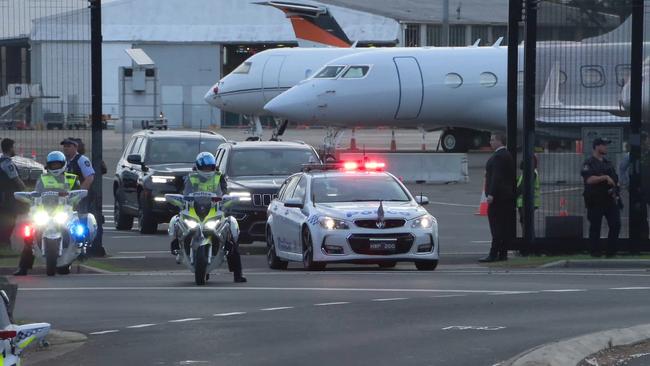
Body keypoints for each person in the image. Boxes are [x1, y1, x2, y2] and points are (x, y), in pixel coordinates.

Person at [171, 152, 246, 283]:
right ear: (198, 166)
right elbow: (184, 191)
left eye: (209, 167)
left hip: (214, 210)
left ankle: (237, 273)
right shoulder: (190, 177)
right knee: (176, 221)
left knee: (231, 231)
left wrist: (226, 199)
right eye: (204, 167)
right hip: (194, 209)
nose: (207, 170)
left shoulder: (219, 177)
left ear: (214, 167)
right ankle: (176, 246)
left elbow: (224, 191)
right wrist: (181, 199)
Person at [14, 151, 79, 276]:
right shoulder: (43, 178)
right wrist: (29, 197)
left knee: (78, 231)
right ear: (48, 165)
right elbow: (36, 194)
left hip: (64, 211)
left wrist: (76, 197)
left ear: (63, 164)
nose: (55, 167)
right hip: (44, 211)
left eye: (57, 164)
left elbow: (77, 195)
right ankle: (23, 267)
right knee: (29, 235)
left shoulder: (72, 178)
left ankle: (73, 256)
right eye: (52, 165)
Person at [61, 138, 105, 257]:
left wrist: (79, 194)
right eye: (64, 146)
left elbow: (89, 177)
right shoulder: (64, 161)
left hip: (81, 196)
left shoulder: (82, 160)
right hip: (66, 197)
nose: (66, 148)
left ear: (75, 147)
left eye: (69, 146)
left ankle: (84, 247)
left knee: (82, 220)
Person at [479, 132, 516, 263]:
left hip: (498, 198)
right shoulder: (507, 155)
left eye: (493, 140)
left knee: (496, 226)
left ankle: (493, 253)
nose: (490, 142)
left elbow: (496, 177)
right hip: (507, 197)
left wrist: (491, 194)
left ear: (499, 141)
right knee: (503, 226)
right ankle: (503, 253)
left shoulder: (499, 157)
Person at [582, 137, 621, 258]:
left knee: (616, 224)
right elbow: (589, 179)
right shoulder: (589, 163)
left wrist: (616, 189)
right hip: (595, 200)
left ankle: (611, 251)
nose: (606, 147)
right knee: (595, 227)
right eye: (604, 145)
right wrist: (604, 177)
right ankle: (595, 252)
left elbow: (615, 179)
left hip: (609, 199)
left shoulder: (607, 163)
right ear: (597, 146)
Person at [0, 139, 26, 247]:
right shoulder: (7, 163)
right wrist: (25, 190)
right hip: (7, 196)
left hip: (3, 195)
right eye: (13, 147)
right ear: (10, 148)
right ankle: (5, 242)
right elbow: (16, 179)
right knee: (10, 219)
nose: (14, 149)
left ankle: (4, 242)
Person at [516, 155, 540, 234]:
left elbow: (523, 186)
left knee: (526, 223)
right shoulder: (528, 172)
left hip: (527, 202)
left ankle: (528, 240)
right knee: (525, 222)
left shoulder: (532, 172)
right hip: (525, 202)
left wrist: (514, 194)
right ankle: (527, 238)